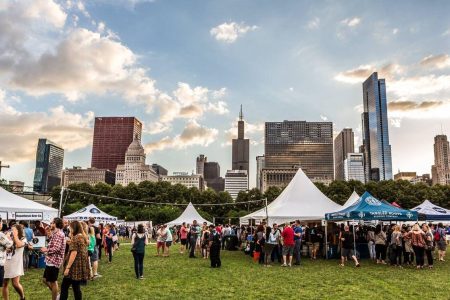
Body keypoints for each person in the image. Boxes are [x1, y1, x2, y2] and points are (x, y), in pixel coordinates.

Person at [60, 221, 90, 300]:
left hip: (74, 266)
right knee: (76, 287)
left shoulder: (76, 237)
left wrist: (68, 268)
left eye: (70, 228)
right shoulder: (82, 236)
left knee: (64, 286)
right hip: (79, 265)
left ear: (74, 228)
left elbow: (74, 253)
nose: (70, 229)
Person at [41, 218, 66, 300]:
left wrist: (46, 250)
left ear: (56, 224)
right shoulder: (55, 233)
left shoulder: (59, 234)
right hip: (50, 260)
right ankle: (57, 294)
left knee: (53, 281)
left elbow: (56, 248)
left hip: (54, 261)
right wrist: (48, 232)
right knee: (45, 280)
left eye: (52, 223)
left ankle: (55, 298)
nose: (50, 224)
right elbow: (52, 241)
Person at [3, 224, 26, 300]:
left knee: (15, 283)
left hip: (16, 263)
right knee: (5, 283)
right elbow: (4, 248)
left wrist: (15, 236)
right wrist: (7, 238)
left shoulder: (23, 239)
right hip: (6, 262)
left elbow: (19, 245)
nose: (12, 231)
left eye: (14, 230)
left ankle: (22, 297)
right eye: (11, 229)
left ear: (18, 231)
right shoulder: (9, 238)